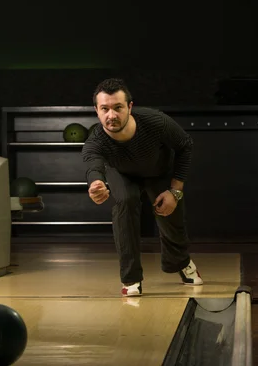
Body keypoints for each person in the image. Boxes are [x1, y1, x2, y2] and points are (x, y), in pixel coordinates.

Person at [82, 77, 203, 296]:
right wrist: (96, 184)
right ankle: (131, 279)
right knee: (124, 203)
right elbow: (93, 165)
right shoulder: (95, 141)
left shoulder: (156, 122)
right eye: (105, 109)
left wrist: (175, 191)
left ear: (130, 106)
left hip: (159, 171)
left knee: (170, 216)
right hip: (122, 174)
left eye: (118, 107)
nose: (111, 115)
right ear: (96, 110)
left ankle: (181, 261)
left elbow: (185, 145)